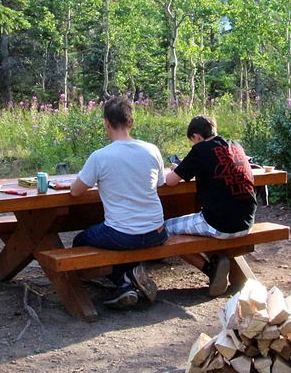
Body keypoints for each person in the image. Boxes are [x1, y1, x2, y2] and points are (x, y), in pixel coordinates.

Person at [70, 96, 167, 309]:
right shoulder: (152, 150)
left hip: (122, 234)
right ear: (131, 122)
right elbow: (160, 182)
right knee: (121, 236)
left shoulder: (100, 156)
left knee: (80, 241)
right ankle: (130, 276)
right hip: (158, 232)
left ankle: (123, 281)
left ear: (106, 122)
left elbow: (75, 192)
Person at [163, 114, 257, 296]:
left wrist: (177, 168)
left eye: (192, 141)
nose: (193, 145)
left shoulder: (200, 150)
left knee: (164, 229)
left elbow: (171, 181)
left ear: (197, 136)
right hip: (247, 222)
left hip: (220, 225)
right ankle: (218, 261)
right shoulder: (236, 146)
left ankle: (210, 268)